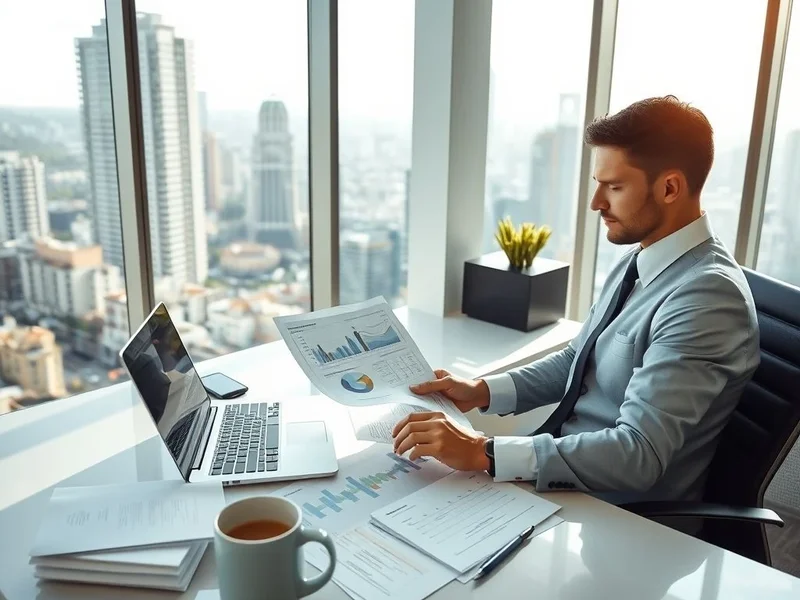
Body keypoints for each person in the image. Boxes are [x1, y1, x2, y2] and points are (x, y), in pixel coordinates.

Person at [392, 96, 760, 503]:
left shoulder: (707, 300)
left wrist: (484, 452)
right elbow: (580, 360)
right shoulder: (640, 259)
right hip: (565, 478)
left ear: (669, 187)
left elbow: (638, 454)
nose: (596, 203)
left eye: (614, 186)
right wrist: (480, 390)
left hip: (619, 510)